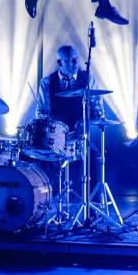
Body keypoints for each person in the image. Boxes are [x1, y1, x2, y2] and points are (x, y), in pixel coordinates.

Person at [33, 45, 108, 192]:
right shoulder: (47, 82)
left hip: (80, 136)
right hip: (56, 137)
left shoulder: (88, 79)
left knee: (93, 156)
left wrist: (87, 121)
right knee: (38, 155)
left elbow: (98, 110)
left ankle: (91, 201)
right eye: (69, 60)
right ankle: (47, 197)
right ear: (59, 62)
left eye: (75, 59)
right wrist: (55, 124)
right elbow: (41, 113)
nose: (74, 63)